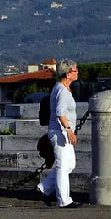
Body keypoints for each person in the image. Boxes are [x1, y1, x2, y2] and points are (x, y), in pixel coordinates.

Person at [36, 58, 80, 209]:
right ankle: (64, 200)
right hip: (60, 131)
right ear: (68, 74)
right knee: (63, 165)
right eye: (75, 70)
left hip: (62, 131)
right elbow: (60, 113)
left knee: (70, 164)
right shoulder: (61, 91)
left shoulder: (64, 89)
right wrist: (69, 130)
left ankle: (44, 187)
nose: (77, 72)